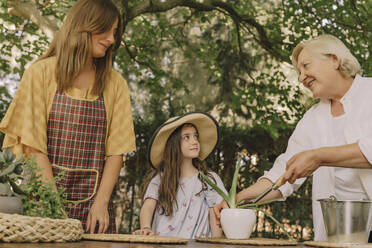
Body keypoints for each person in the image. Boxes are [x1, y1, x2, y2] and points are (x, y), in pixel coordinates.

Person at [214, 34, 372, 241]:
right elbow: (284, 172)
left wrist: (318, 156)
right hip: (337, 236)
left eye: (306, 66)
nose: (301, 77)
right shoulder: (313, 118)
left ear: (334, 60)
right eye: (299, 71)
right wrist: (241, 197)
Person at [0, 0, 136, 234]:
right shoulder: (40, 73)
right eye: (106, 30)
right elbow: (34, 148)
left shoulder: (116, 84)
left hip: (95, 210)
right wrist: (54, 208)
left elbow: (116, 152)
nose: (112, 39)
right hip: (44, 204)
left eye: (115, 32)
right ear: (84, 26)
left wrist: (101, 204)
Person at [133, 112, 226, 239]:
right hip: (163, 245)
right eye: (186, 137)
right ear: (174, 144)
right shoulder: (161, 179)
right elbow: (148, 206)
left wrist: (216, 243)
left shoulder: (209, 180)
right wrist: (145, 228)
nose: (194, 141)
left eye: (195, 136)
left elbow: (215, 215)